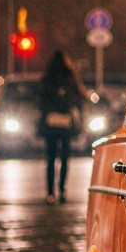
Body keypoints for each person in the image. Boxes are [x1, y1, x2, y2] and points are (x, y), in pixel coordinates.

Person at [37, 50, 86, 200]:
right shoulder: (70, 78)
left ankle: (50, 192)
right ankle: (62, 190)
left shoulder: (47, 79)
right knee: (65, 157)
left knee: (51, 157)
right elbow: (79, 98)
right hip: (65, 122)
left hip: (51, 122)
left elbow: (39, 100)